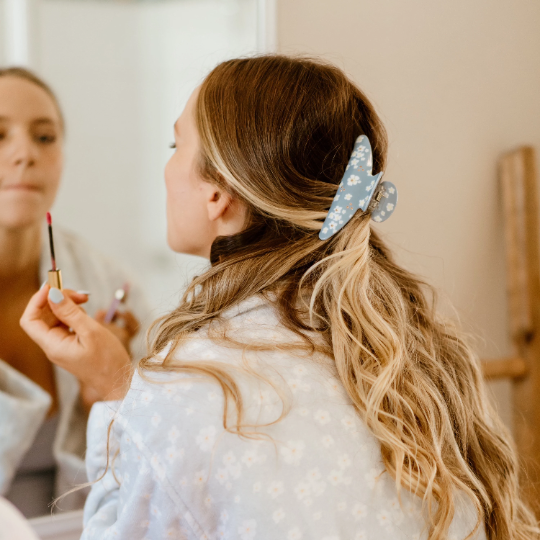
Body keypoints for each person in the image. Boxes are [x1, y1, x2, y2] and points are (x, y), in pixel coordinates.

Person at [21, 55, 539, 539]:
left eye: (174, 146)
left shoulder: (188, 395)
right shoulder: (418, 355)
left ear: (217, 193)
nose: (168, 167)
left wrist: (119, 394)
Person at [0, 67, 149, 517]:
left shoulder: (107, 286)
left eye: (44, 137)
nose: (24, 154)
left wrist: (113, 385)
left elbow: (154, 465)